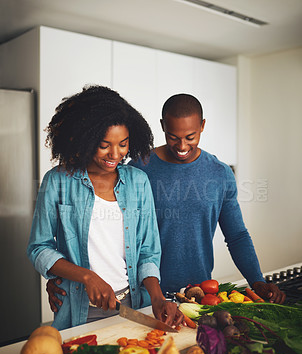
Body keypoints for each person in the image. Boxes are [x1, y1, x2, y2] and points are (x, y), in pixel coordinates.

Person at [47, 92, 285, 308]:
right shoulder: (139, 169)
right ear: (162, 126)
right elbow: (104, 232)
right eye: (173, 137)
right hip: (143, 296)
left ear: (202, 126)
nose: (182, 146)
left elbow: (237, 236)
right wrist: (65, 277)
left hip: (199, 295)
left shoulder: (220, 174)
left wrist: (257, 280)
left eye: (190, 137)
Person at [27, 85, 183, 331]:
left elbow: (148, 252)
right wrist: (87, 276)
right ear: (85, 139)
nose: (115, 154)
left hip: (134, 304)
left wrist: (157, 298)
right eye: (104, 145)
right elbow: (39, 248)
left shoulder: (137, 182)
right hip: (79, 309)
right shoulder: (57, 181)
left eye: (123, 144)